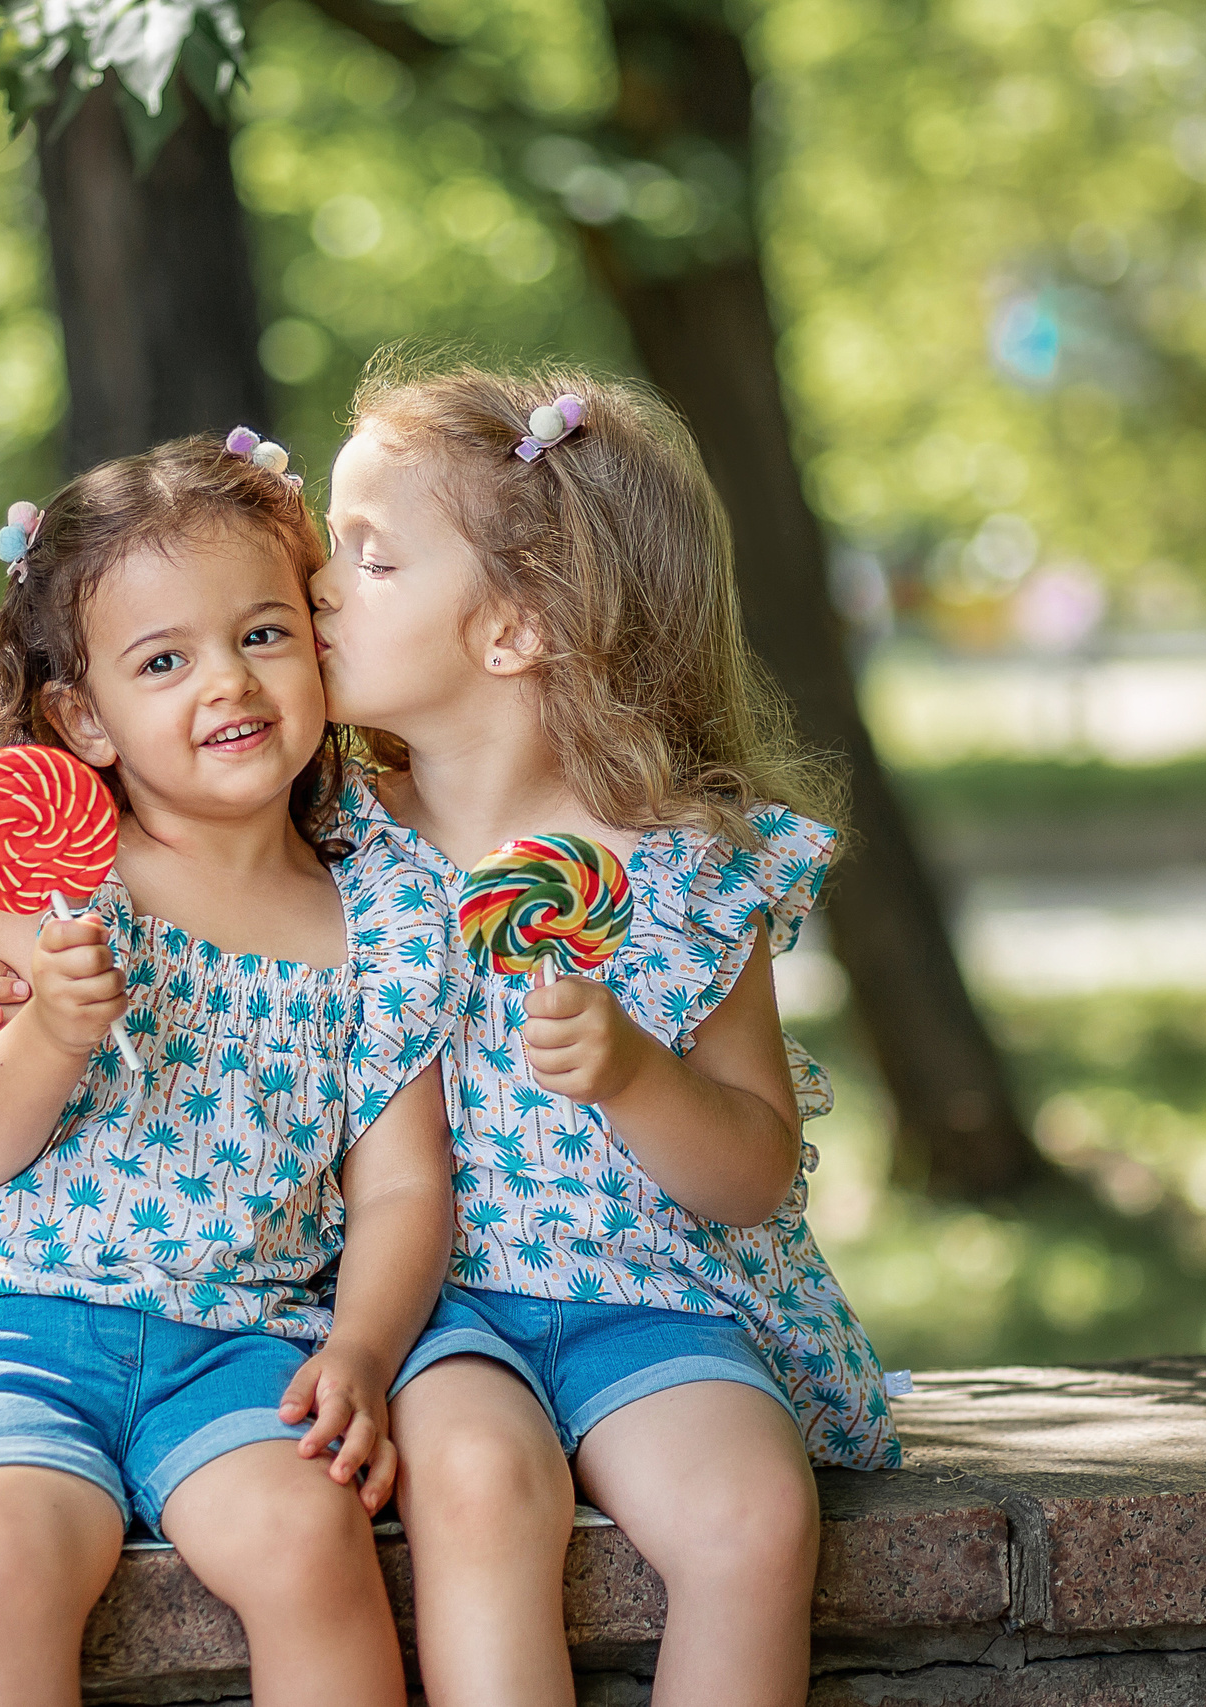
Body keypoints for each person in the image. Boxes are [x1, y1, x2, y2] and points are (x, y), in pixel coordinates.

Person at [306, 357, 899, 1707]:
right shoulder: (327, 853)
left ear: (515, 626)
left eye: (371, 556)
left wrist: (634, 1070)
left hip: (653, 1299)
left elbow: (754, 1172)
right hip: (432, 1308)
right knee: (476, 1482)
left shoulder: (688, 872)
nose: (320, 584)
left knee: (752, 1516)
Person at [0, 429, 454, 1707]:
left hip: (237, 1338)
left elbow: (399, 1189)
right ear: (84, 718)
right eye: (161, 661)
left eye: (263, 635)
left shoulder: (382, 912)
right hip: (1, 1316)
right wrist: (51, 1033)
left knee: (306, 1538)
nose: (223, 682)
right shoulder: (54, 879)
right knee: (9, 1548)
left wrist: (359, 1352)